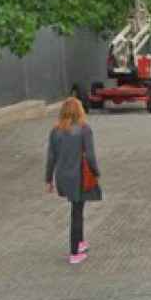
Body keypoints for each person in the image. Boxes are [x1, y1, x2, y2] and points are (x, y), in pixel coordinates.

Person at [44, 97, 102, 264]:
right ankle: (74, 252)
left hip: (62, 177)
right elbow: (90, 156)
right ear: (80, 111)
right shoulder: (84, 129)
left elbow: (51, 157)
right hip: (79, 176)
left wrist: (48, 180)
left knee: (78, 208)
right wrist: (96, 172)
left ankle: (81, 242)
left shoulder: (55, 131)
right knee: (77, 212)